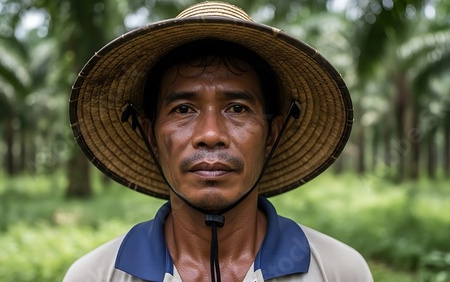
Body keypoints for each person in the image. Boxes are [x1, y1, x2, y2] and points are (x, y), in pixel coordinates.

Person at [65, 1, 373, 281]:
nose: (210, 135)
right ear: (151, 136)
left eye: (237, 108)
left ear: (272, 135)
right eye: (183, 109)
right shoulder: (96, 274)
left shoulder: (339, 270)